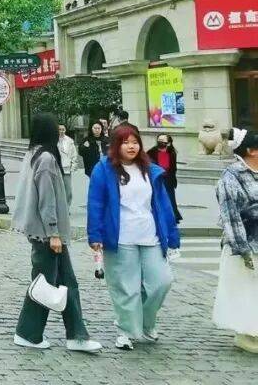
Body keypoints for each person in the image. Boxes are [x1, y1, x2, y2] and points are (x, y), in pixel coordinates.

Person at [11, 112, 101, 352]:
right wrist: (53, 233)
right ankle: (28, 333)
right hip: (48, 234)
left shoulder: (34, 154)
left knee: (65, 282)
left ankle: (76, 335)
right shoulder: (47, 158)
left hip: (44, 233)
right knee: (44, 284)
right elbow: (47, 200)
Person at [87, 123, 180, 350]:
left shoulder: (150, 170)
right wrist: (95, 235)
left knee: (161, 282)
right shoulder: (104, 169)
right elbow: (95, 203)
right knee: (126, 287)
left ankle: (146, 323)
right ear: (116, 145)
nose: (131, 147)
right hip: (120, 238)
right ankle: (126, 330)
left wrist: (172, 234)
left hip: (150, 235)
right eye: (125, 142)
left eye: (135, 142)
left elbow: (163, 205)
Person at [213, 127, 258, 353]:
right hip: (247, 242)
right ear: (251, 150)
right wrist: (242, 249)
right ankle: (246, 334)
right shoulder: (231, 176)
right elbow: (231, 215)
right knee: (246, 289)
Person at [153, 134, 182, 224]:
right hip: (158, 178)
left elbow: (172, 168)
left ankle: (172, 216)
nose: (160, 142)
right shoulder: (152, 152)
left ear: (168, 143)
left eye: (163, 141)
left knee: (169, 198)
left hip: (167, 179)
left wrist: (173, 180)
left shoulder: (171, 153)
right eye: (159, 140)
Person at [57, 124, 80, 205]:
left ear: (65, 130)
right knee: (58, 189)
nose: (61, 131)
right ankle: (59, 206)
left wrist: (73, 166)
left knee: (68, 190)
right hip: (56, 168)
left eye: (63, 129)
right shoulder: (53, 140)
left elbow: (74, 154)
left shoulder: (69, 141)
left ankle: (67, 206)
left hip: (66, 169)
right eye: (60, 129)